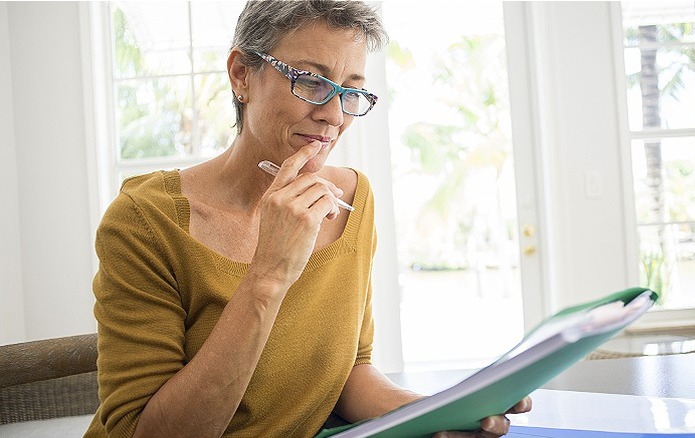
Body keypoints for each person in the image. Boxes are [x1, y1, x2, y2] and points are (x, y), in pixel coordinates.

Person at [84, 1, 531, 437]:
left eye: (351, 91)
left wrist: (439, 412)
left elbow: (348, 372)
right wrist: (268, 274)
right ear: (242, 74)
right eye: (312, 82)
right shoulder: (144, 222)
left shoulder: (353, 200)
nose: (334, 116)